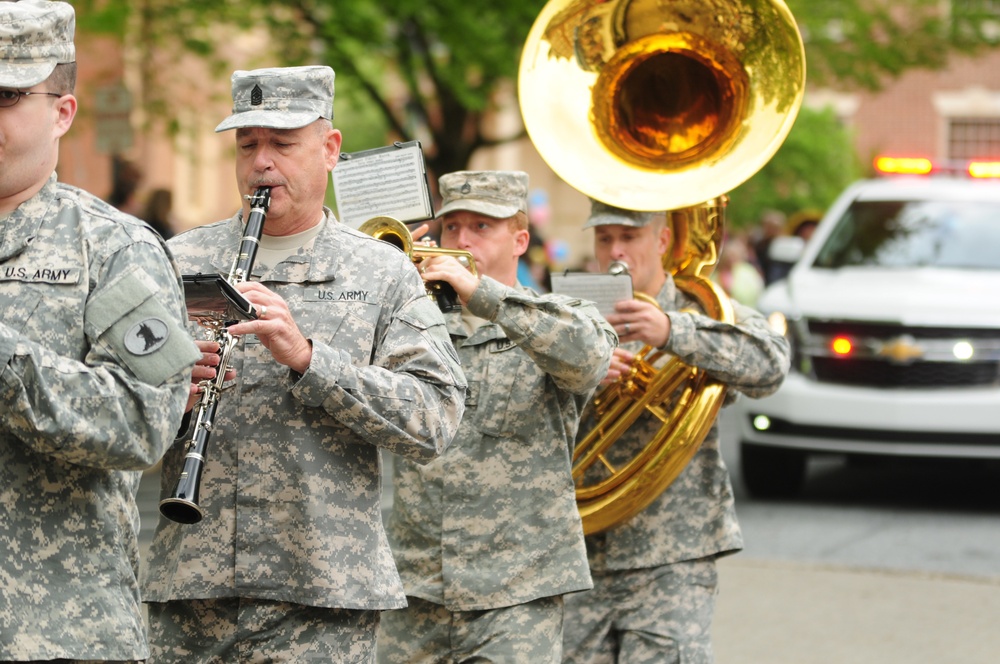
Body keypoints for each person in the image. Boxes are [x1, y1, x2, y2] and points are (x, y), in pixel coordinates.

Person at [141, 65, 467, 663]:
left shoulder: (382, 271)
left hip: (323, 597)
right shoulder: (174, 259)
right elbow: (114, 407)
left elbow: (436, 416)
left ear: (330, 149)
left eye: (283, 143)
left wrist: (312, 360)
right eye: (248, 145)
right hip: (189, 590)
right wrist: (168, 392)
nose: (261, 162)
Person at [0, 1, 201, 661]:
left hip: (58, 632)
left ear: (63, 111)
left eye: (5, 96)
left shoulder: (114, 249)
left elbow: (144, 423)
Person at [378, 171, 618, 663]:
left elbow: (591, 356)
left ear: (520, 240)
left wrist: (481, 294)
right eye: (452, 228)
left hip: (516, 594)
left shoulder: (557, 314)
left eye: (482, 227)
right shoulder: (410, 325)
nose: (461, 241)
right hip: (414, 587)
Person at [562, 200, 791, 663]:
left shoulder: (703, 309)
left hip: (672, 552)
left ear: (662, 241)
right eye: (605, 238)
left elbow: (771, 366)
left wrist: (672, 332)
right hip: (578, 552)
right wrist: (581, 367)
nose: (616, 251)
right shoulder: (571, 316)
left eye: (629, 237)